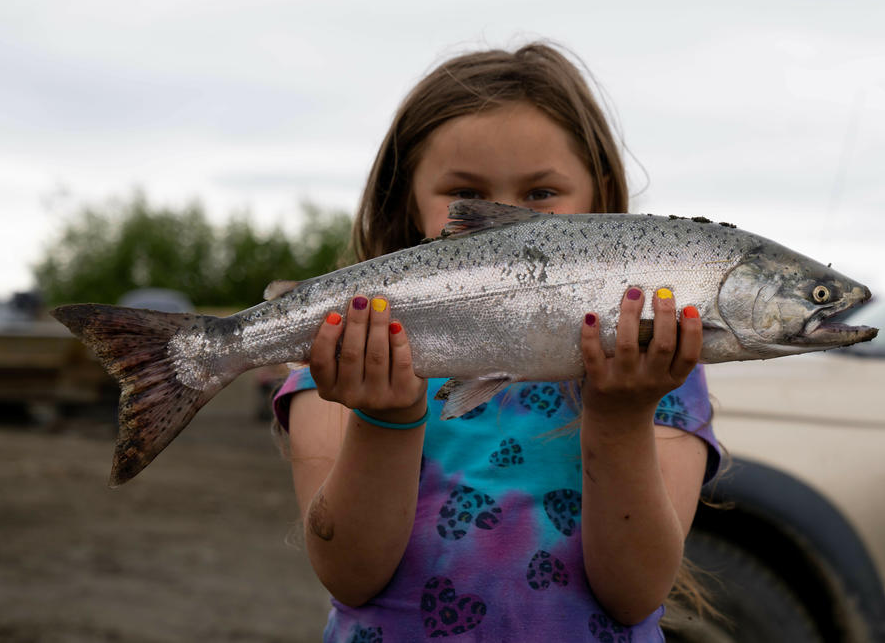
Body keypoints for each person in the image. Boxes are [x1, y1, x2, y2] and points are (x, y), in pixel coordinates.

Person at [272, 42, 721, 642]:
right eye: (466, 192)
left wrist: (620, 415)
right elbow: (350, 576)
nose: (504, 213)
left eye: (541, 194)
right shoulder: (338, 365)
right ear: (405, 200)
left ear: (601, 196)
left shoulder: (657, 366)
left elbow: (634, 593)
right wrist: (385, 418)